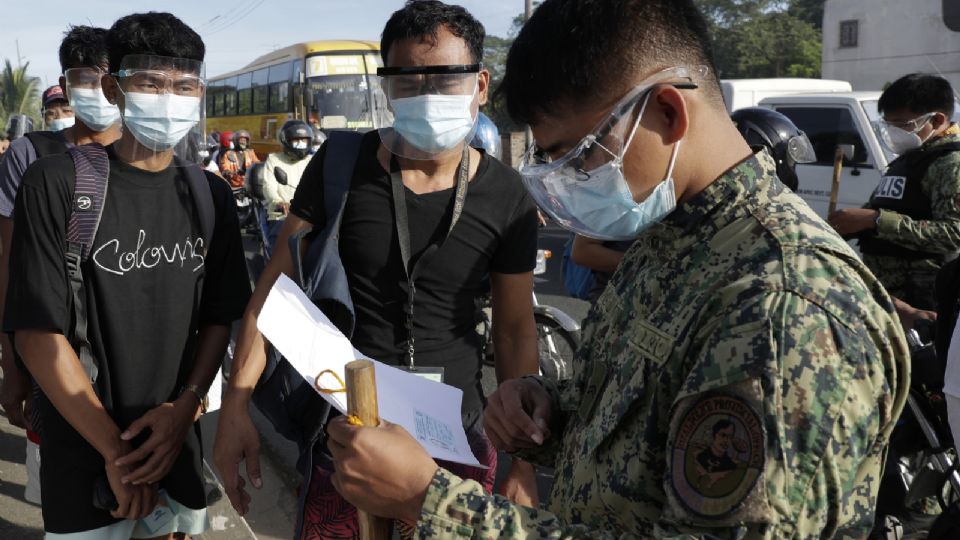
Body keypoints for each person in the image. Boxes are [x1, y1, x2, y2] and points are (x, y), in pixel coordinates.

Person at [320, 0, 909, 538]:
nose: (565, 183)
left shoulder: (783, 308)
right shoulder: (670, 240)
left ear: (668, 112)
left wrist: (432, 500)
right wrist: (546, 407)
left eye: (577, 156)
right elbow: (636, 422)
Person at [214, 1, 541, 537]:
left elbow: (513, 329)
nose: (427, 96)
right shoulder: (341, 166)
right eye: (407, 82)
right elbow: (274, 296)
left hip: (455, 439)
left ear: (480, 85)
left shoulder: (507, 196)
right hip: (348, 435)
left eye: (446, 80)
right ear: (384, 88)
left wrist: (523, 462)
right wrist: (235, 409)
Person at [4, 12, 250, 537]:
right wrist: (118, 455)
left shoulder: (211, 196)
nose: (169, 98)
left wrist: (185, 409)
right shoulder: (55, 183)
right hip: (83, 448)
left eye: (185, 86)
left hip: (176, 448)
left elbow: (219, 318)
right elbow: (37, 331)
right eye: (151, 83)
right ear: (114, 87)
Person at [0, 25, 123, 507]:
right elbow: (10, 264)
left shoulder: (149, 154)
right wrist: (12, 364)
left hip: (135, 360)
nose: (95, 90)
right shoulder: (31, 155)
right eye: (83, 79)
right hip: (57, 355)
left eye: (105, 77)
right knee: (68, 500)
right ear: (66, 83)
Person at [829, 74, 960, 311]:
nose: (895, 132)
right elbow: (882, 208)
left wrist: (876, 220)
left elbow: (954, 233)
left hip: (923, 301)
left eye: (903, 125)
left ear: (938, 119)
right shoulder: (912, 157)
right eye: (890, 125)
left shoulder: (951, 164)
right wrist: (849, 222)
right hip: (889, 296)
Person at [260, 119, 312, 254]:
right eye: (296, 140)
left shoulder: (311, 161)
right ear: (286, 140)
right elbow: (268, 187)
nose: (301, 144)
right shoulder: (274, 160)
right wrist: (279, 202)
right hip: (282, 216)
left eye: (304, 140)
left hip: (309, 216)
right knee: (281, 254)